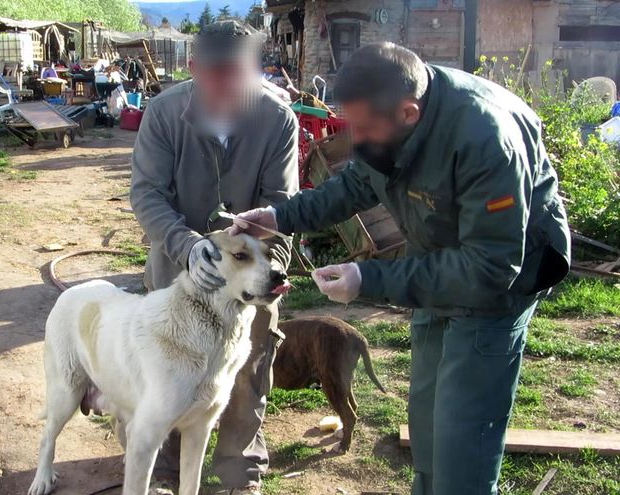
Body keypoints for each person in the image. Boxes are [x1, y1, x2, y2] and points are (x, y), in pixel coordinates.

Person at [230, 42, 571, 495]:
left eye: (365, 129)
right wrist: (280, 217)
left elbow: (490, 267)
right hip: (437, 269)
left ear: (409, 114)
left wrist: (368, 278)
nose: (358, 138)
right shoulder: (387, 118)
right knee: (428, 422)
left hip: (496, 288)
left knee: (463, 438)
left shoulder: (485, 141)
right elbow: (355, 183)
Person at [130, 20, 299, 495]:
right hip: (175, 272)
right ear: (191, 68)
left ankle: (237, 469)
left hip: (251, 276)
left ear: (256, 69)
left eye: (238, 73)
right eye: (215, 74)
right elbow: (147, 195)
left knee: (245, 371)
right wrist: (187, 247)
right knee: (166, 372)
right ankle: (166, 465)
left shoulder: (278, 119)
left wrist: (265, 262)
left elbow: (282, 203)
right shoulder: (163, 114)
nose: (226, 85)